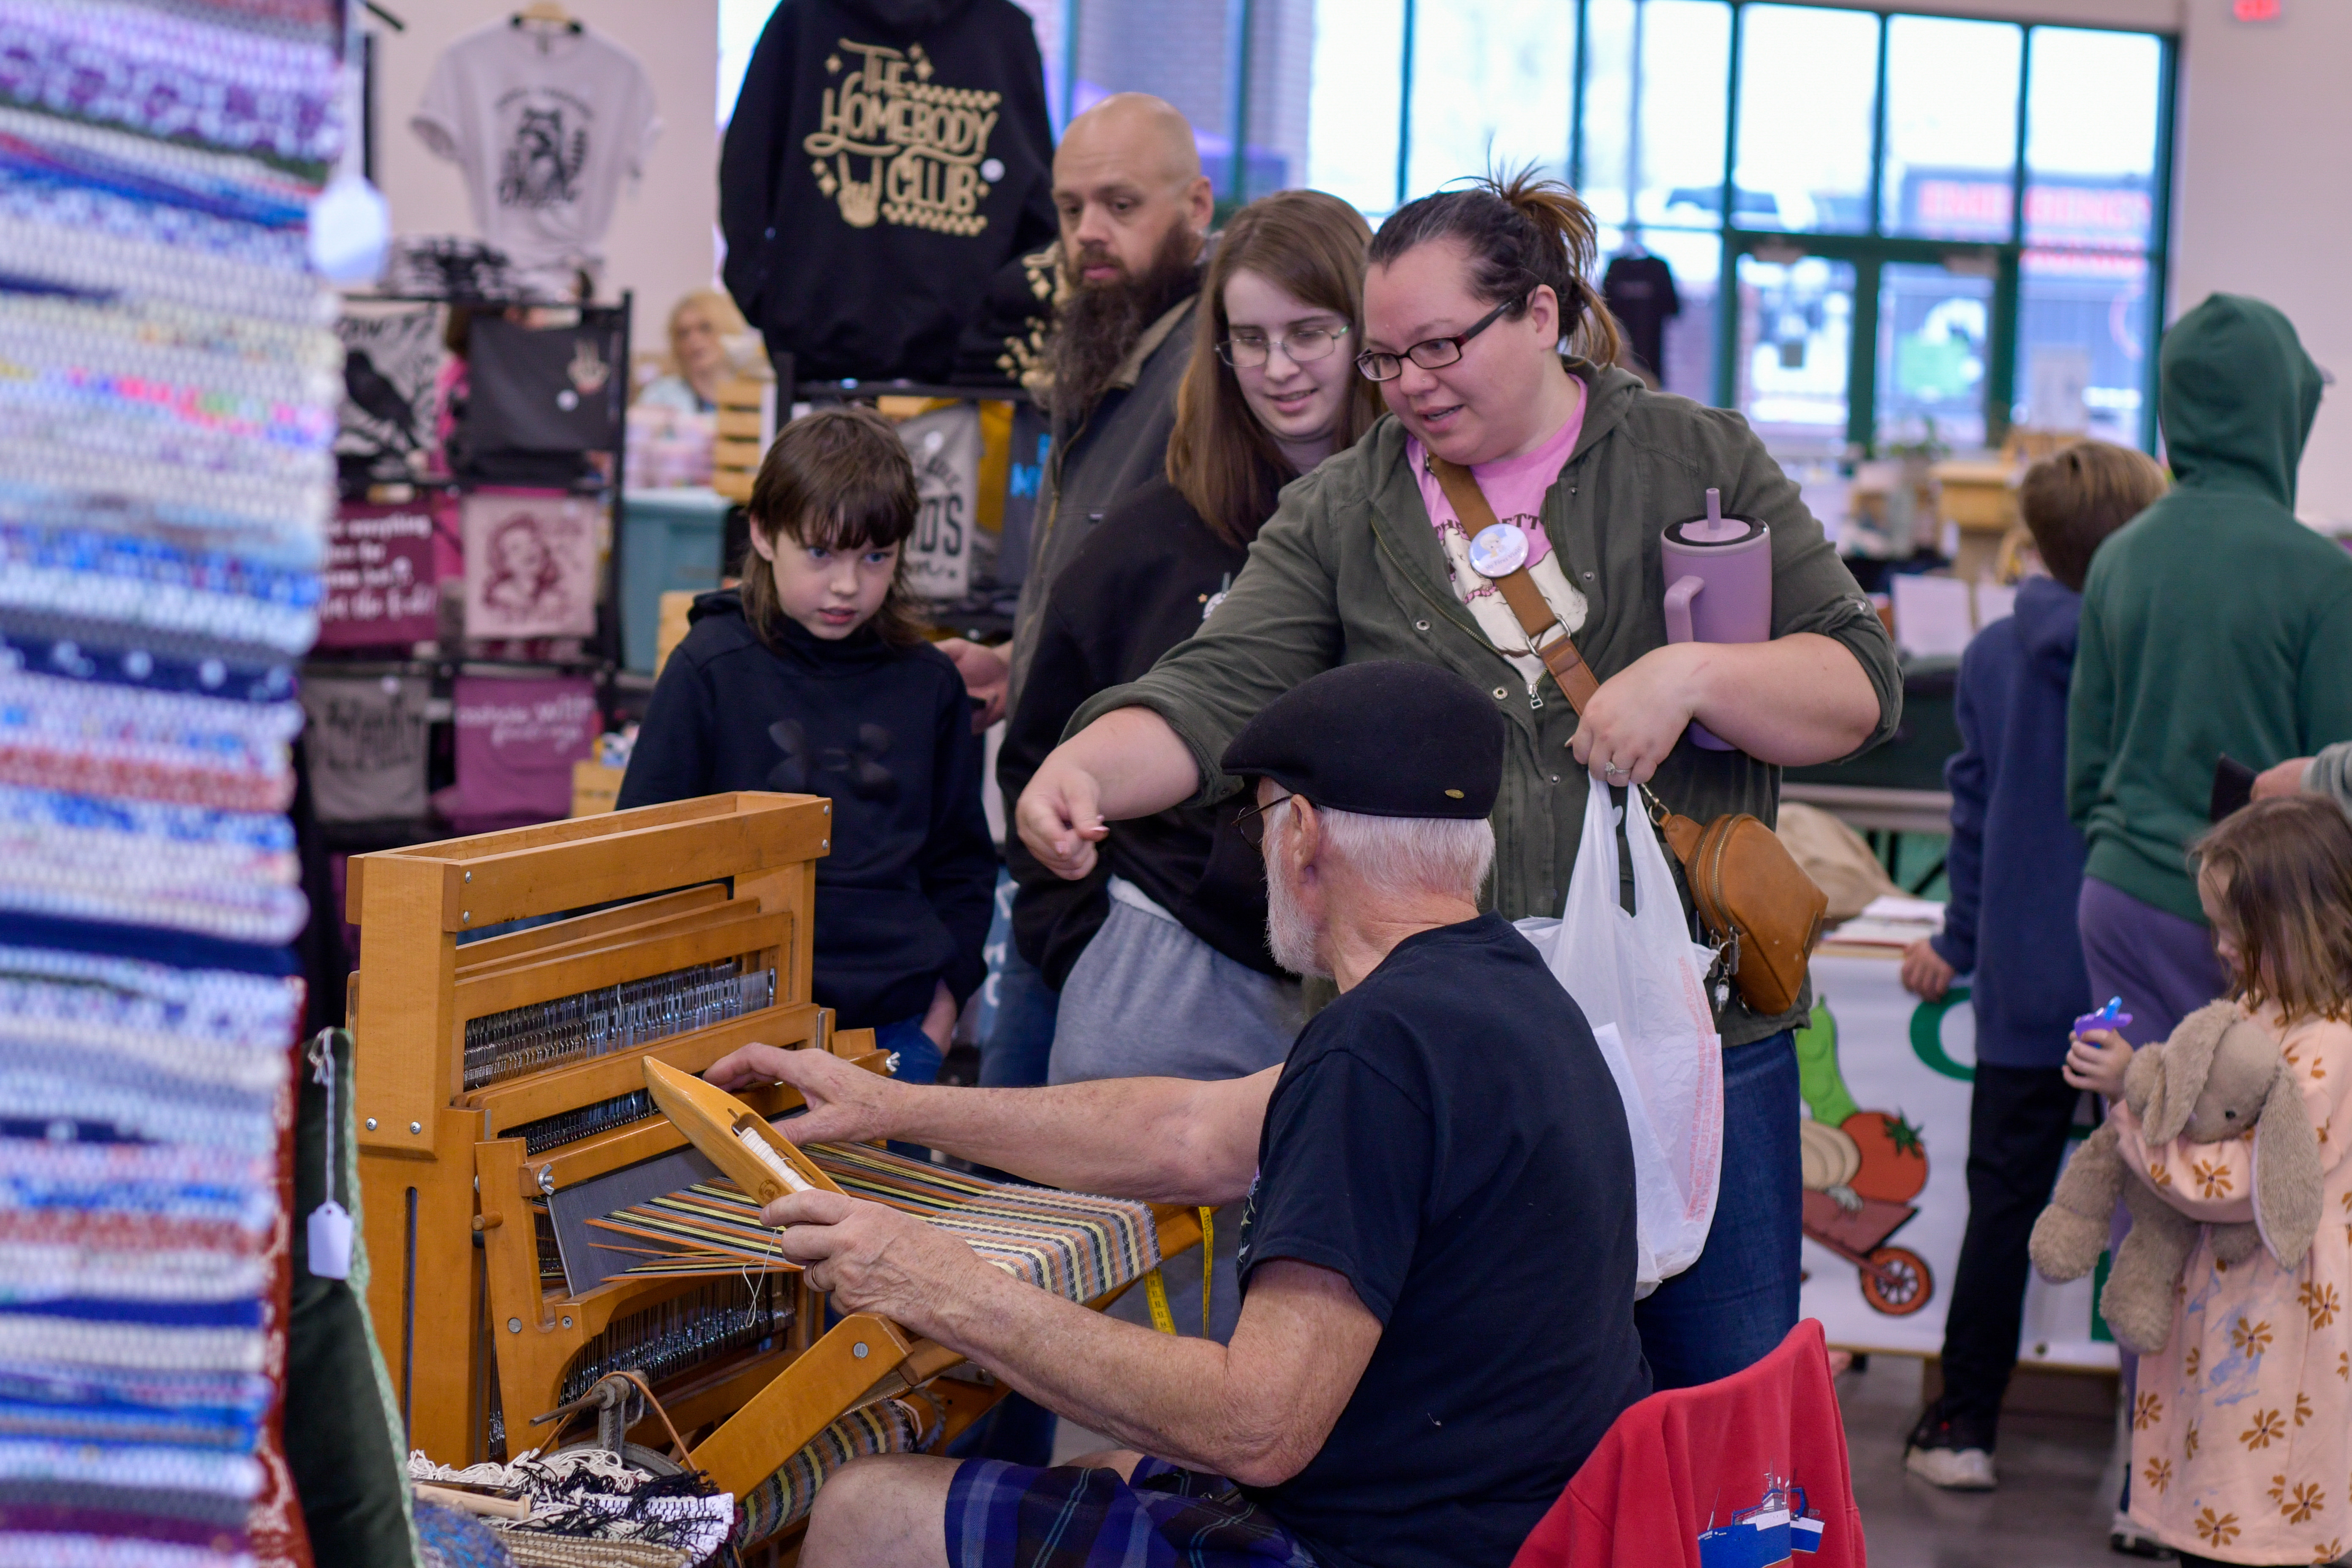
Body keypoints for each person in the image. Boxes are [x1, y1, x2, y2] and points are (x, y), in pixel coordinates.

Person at [1017, 171, 1900, 1390]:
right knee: (1456, 1402)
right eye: (1386, 360)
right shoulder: (1345, 510)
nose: (1412, 385)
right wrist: (1086, 769)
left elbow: (1856, 685)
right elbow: (1216, 692)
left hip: (1694, 1032)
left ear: (1541, 315)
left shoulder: (1692, 461)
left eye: (1441, 347)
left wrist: (1694, 674)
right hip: (1440, 1054)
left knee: (1715, 1398)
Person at [708, 661, 1650, 1568]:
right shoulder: (1502, 994)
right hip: (1499, 1517)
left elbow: (1258, 1425)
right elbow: (1189, 1131)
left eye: (1260, 816)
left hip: (1387, 1545)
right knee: (1086, 1474)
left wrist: (936, 1282)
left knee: (864, 1509)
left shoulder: (1378, 1050)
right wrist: (895, 1103)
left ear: (1303, 833)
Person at [1897, 440, 2169, 1491]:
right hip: (2139, 984)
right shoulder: (2160, 651)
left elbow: (1969, 821)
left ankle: (1963, 1427)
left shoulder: (1992, 656)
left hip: (2018, 981)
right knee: (2167, 1210)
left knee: (2003, 1207)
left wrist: (1957, 944)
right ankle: (2153, 1452)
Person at [616, 407, 994, 1093]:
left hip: (897, 1032)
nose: (847, 585)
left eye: (874, 557)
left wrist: (940, 1014)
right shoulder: (709, 668)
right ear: (762, 534)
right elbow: (639, 867)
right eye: (820, 553)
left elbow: (961, 863)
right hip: (732, 1036)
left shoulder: (930, 682)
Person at [2061, 796, 2352, 1568]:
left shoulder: (2328, 1041)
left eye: (2236, 931)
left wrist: (2130, 1104)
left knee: (2255, 1521)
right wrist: (2150, 1080)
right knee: (2221, 1500)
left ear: (2297, 927)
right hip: (2239, 1306)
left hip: (2279, 1319)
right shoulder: (2263, 1012)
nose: (2219, 948)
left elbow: (2240, 1181)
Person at [2068, 294, 2352, 1051]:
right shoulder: (2323, 576)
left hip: (2117, 899)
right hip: (2258, 925)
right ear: (2280, 415)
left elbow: (2084, 768)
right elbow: (2335, 786)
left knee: (2139, 1142)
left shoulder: (2117, 556)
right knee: (2256, 1158)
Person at [637, 287, 753, 414]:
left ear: (728, 330)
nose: (694, 340)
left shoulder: (753, 393)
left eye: (705, 328)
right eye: (683, 333)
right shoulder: (661, 396)